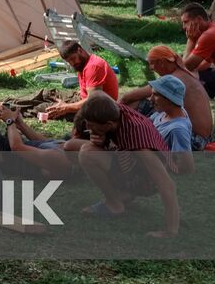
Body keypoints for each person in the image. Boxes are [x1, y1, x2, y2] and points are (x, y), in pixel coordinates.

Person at [75, 91, 179, 237]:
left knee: (87, 153)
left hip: (147, 181)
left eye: (91, 125)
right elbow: (97, 94)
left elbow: (166, 184)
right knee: (81, 147)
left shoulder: (137, 139)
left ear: (108, 125)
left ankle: (114, 205)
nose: (88, 128)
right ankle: (124, 194)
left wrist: (171, 231)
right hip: (133, 164)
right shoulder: (116, 111)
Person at [120, 46, 212, 149]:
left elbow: (126, 98)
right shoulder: (182, 73)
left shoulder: (173, 80)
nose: (150, 68)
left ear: (161, 62)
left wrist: (113, 110)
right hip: (203, 137)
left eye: (151, 63)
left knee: (135, 103)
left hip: (194, 139)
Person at [42, 41, 119, 121]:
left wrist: (65, 107)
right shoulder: (83, 63)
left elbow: (93, 102)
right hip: (84, 100)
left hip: (97, 110)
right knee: (46, 93)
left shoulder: (93, 67)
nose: (72, 63)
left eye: (73, 58)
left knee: (43, 107)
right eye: (69, 61)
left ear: (79, 50)